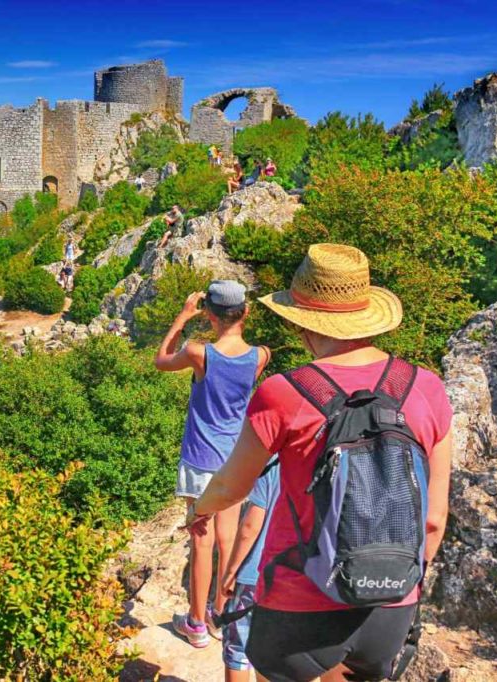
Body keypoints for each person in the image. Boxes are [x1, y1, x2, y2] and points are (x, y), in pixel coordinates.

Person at [190, 244, 453, 681]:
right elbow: (435, 520)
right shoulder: (426, 388)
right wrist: (393, 585)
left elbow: (231, 488)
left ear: (302, 325)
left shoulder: (284, 392)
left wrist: (199, 512)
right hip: (389, 607)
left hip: (298, 608)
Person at [154, 281, 271, 648]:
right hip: (235, 459)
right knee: (228, 539)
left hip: (200, 459)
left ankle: (195, 624)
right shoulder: (260, 356)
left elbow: (161, 360)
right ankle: (220, 616)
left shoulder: (199, 353)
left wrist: (182, 317)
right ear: (245, 313)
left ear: (210, 314)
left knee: (201, 542)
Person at [221, 458, 280, 682]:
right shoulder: (321, 463)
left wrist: (231, 571)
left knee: (238, 647)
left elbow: (249, 527)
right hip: (294, 580)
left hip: (255, 576)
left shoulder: (273, 466)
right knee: (272, 651)